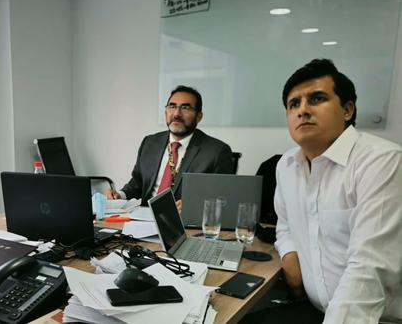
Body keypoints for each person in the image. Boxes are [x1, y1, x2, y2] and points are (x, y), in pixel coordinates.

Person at [244, 59, 402, 323]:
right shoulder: (286, 165)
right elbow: (284, 226)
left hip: (372, 318)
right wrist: (289, 255)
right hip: (316, 308)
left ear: (347, 110)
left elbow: (369, 269)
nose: (302, 110)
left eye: (316, 99)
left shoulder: (381, 161)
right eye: (294, 104)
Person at [105, 85, 235, 205]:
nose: (177, 114)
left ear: (199, 116)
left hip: (184, 223)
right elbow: (137, 184)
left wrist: (194, 206)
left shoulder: (217, 152)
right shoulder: (150, 143)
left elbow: (222, 198)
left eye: (185, 107)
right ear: (166, 111)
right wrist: (119, 195)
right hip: (144, 218)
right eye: (172, 106)